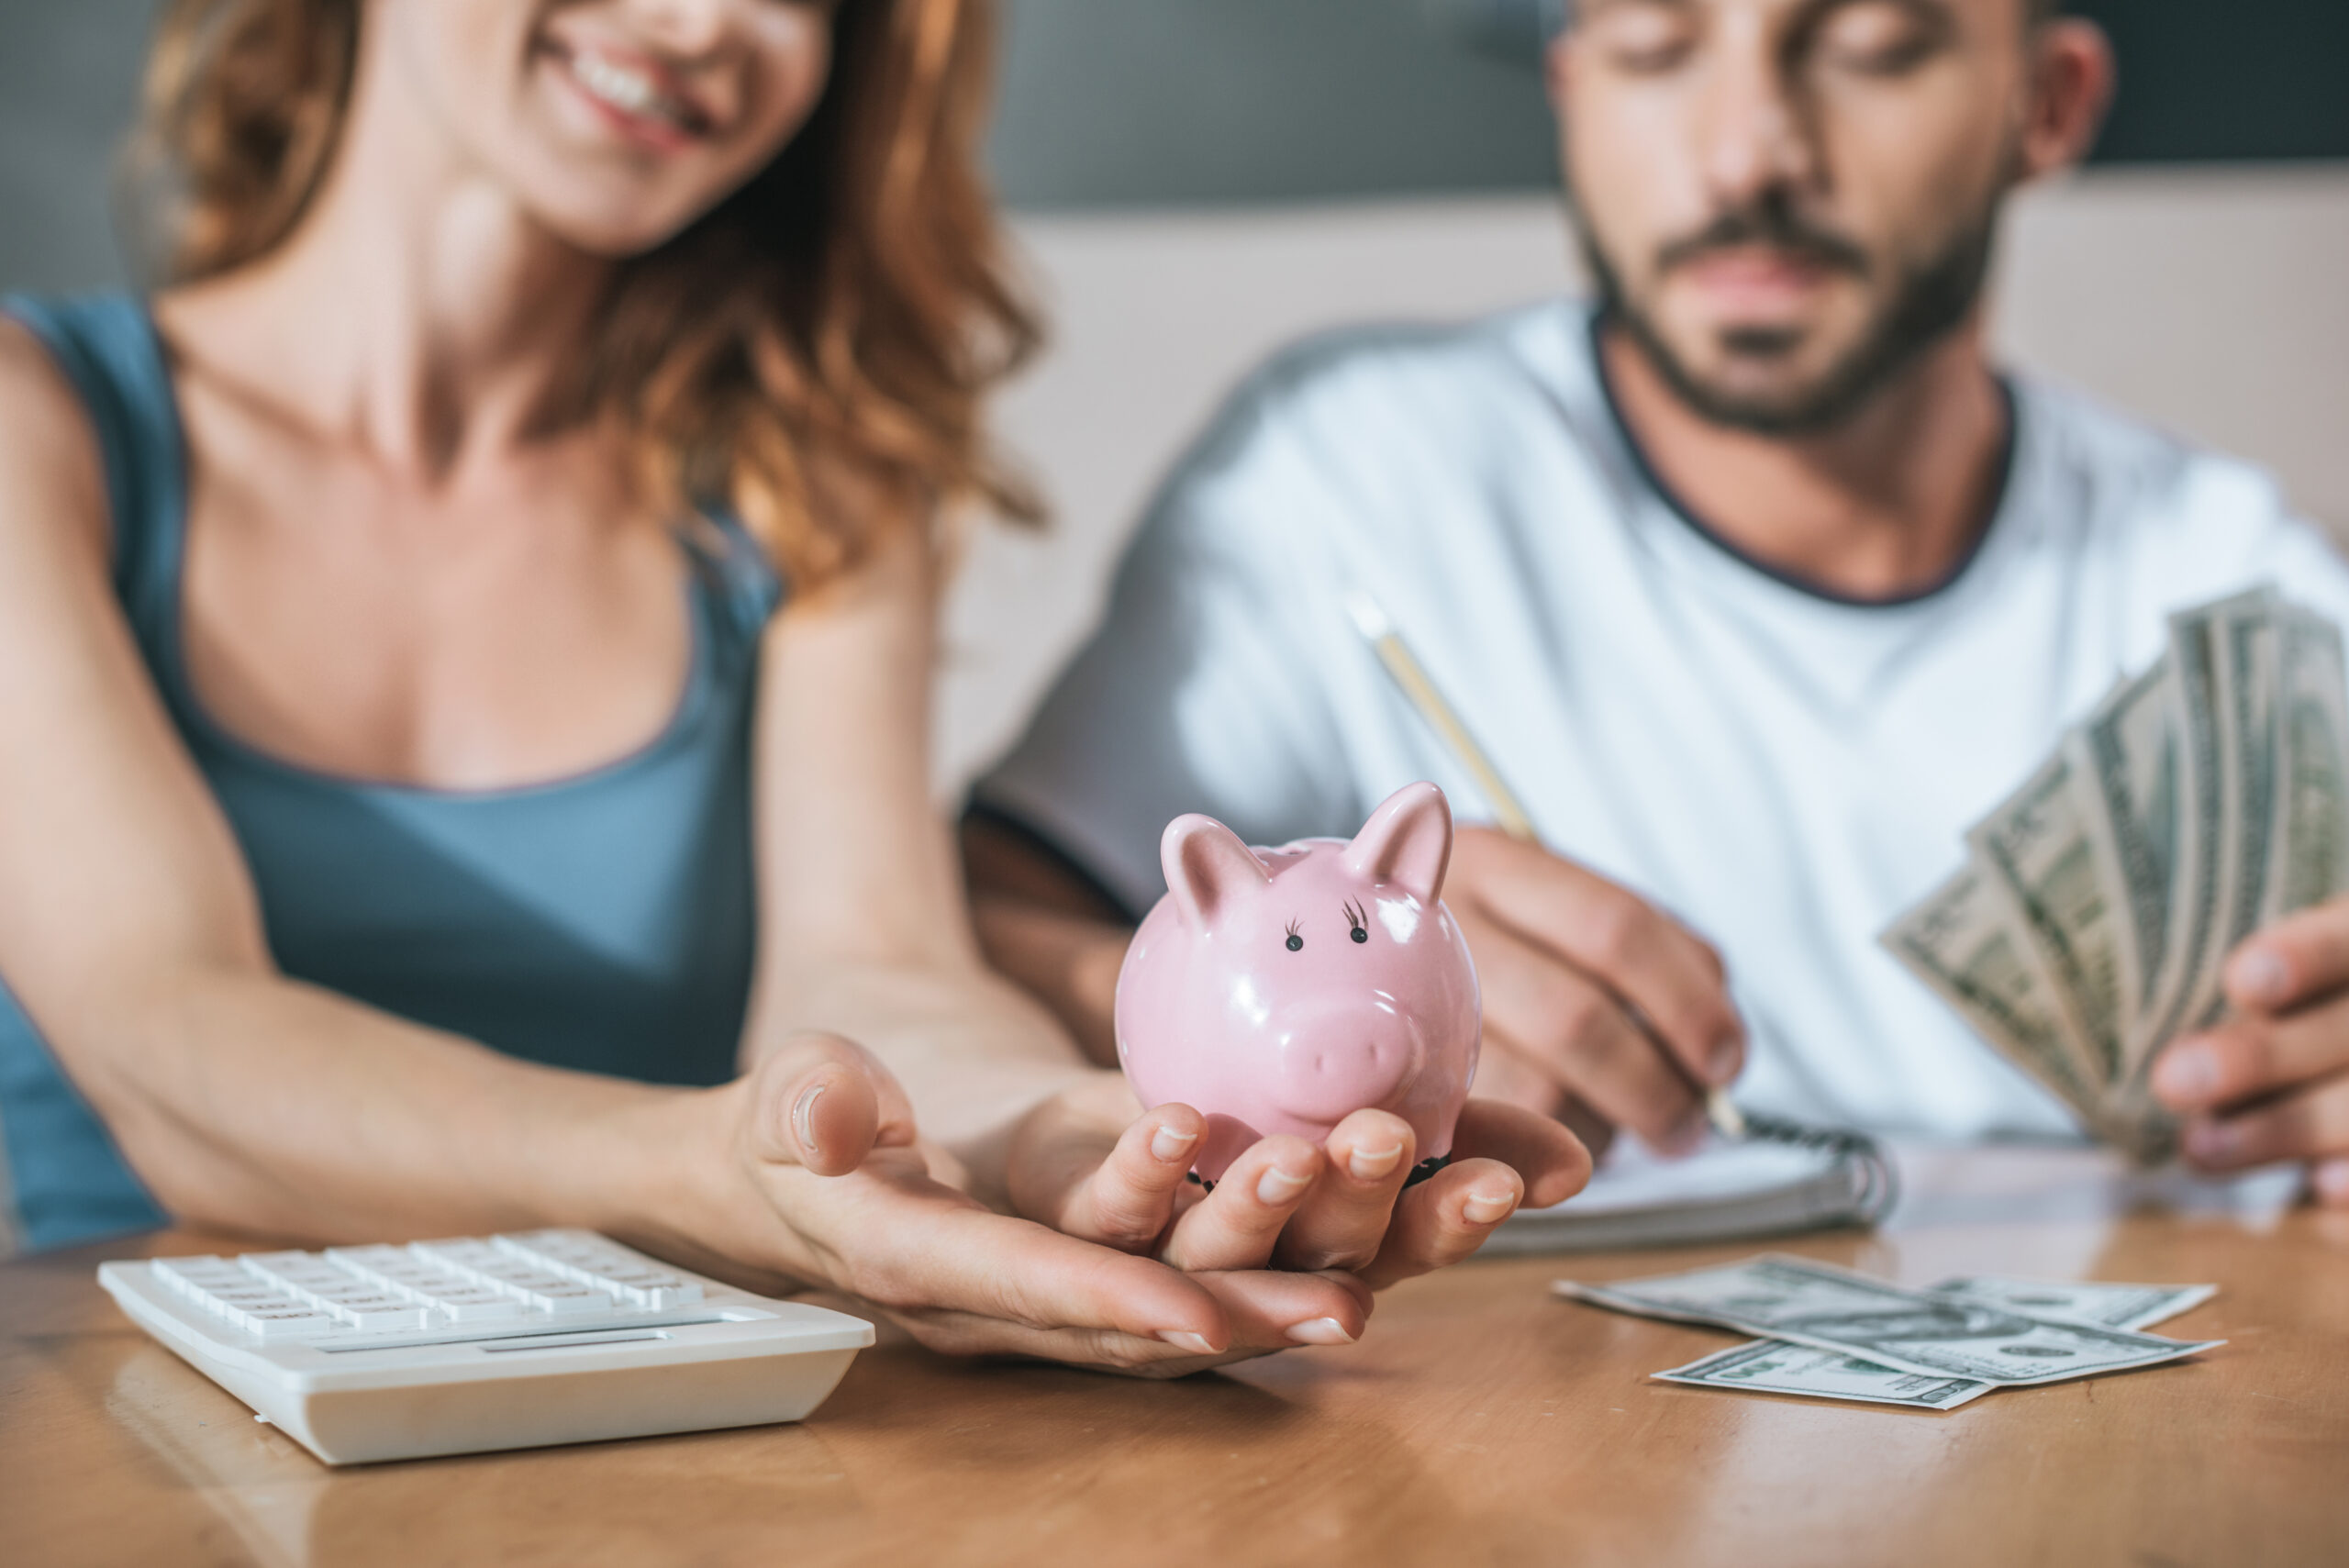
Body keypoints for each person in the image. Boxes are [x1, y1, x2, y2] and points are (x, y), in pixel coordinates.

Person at [0, 0, 1587, 1372]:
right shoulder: (43, 424)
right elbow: (169, 1043)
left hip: (662, 1412)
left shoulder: (806, 470)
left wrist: (1047, 1140)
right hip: (137, 1421)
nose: (702, 24)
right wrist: (709, 1170)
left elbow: (878, 965)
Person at [964, 0, 2349, 1205]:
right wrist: (1251, 1002)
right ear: (1571, 91)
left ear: (2043, 106)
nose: (1747, 153)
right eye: (1651, 47)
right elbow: (953, 937)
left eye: (1870, 47)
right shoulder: (1343, 473)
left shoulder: (2221, 568)